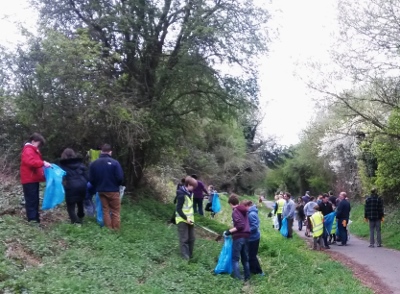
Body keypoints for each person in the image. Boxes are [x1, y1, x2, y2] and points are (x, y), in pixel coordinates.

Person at [89, 144, 124, 230]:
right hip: (113, 190)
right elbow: (120, 178)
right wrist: (116, 185)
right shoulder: (115, 163)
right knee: (115, 211)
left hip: (100, 190)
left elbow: (91, 178)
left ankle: (108, 229)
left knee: (105, 210)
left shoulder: (94, 163)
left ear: (101, 151)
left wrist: (97, 186)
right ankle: (115, 229)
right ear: (110, 152)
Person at [20, 133, 52, 225]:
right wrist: (42, 163)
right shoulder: (28, 150)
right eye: (39, 143)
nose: (39, 146)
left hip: (33, 179)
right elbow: (30, 162)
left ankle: (36, 219)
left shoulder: (32, 150)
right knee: (31, 200)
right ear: (33, 141)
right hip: (29, 179)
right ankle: (33, 220)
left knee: (35, 200)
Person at [224, 195, 250, 281]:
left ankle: (238, 278)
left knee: (235, 259)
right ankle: (247, 276)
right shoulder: (244, 210)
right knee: (245, 258)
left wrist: (229, 231)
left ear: (231, 204)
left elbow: (240, 226)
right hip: (246, 236)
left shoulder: (235, 211)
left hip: (239, 237)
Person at [59, 148, 88, 224]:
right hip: (82, 185)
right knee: (80, 201)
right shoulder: (80, 163)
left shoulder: (62, 165)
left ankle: (76, 222)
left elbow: (60, 177)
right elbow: (86, 175)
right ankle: (81, 216)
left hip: (70, 186)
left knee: (70, 206)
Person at [175, 176, 198, 259]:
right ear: (188, 185)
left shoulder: (191, 193)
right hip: (182, 220)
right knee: (184, 239)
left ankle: (190, 255)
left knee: (192, 239)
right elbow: (178, 209)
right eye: (193, 186)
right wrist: (185, 218)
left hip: (190, 219)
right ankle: (185, 258)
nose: (194, 188)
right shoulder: (181, 194)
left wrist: (190, 219)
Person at [241, 200, 264, 275]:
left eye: (244, 207)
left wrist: (246, 230)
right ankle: (252, 269)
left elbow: (254, 226)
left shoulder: (251, 214)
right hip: (251, 237)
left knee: (252, 255)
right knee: (250, 254)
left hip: (253, 238)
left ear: (247, 206)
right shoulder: (250, 213)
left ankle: (259, 271)